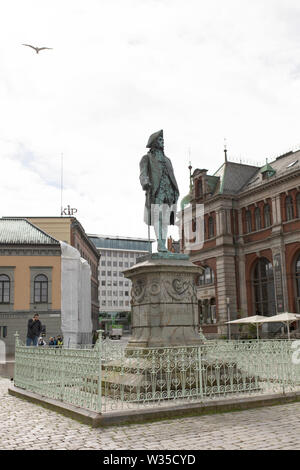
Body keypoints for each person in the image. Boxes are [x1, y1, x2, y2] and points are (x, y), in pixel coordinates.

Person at [139, 130, 179, 252]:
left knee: (165, 219)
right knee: (158, 217)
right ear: (154, 143)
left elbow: (172, 176)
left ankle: (163, 243)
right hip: (156, 191)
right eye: (160, 140)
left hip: (169, 191)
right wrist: (145, 182)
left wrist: (174, 190)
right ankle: (160, 243)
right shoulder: (147, 158)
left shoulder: (168, 160)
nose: (163, 142)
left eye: (163, 140)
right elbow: (143, 174)